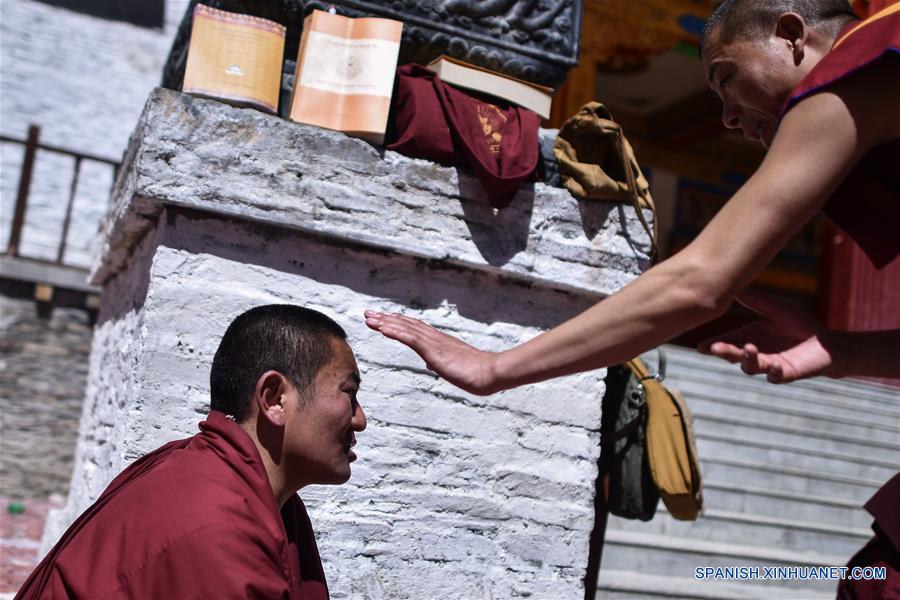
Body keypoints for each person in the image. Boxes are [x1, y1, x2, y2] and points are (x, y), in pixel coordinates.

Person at [365, 0, 900, 392]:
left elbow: (699, 282)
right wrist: (843, 350)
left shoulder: (855, 71)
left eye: (726, 77)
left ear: (790, 34)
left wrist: (495, 367)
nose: (729, 119)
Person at [17, 305, 366, 599]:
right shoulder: (216, 528)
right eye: (349, 393)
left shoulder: (246, 489)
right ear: (274, 398)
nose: (360, 419)